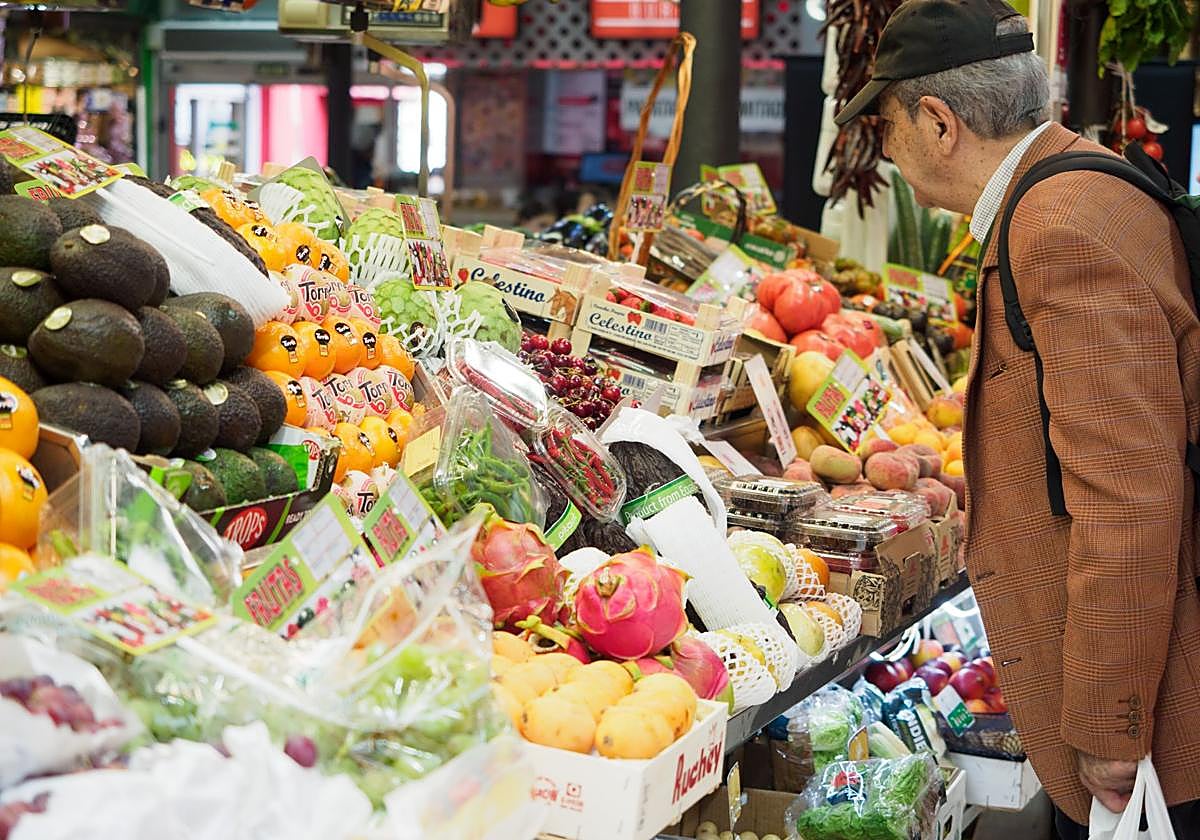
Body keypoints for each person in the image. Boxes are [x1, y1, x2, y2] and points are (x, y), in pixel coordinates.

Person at [833, 0, 1200, 835]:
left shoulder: (1057, 228)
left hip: (1158, 731)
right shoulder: (1081, 183)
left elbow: (1127, 493)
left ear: (939, 123)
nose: (886, 150)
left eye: (887, 127)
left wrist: (1110, 725)